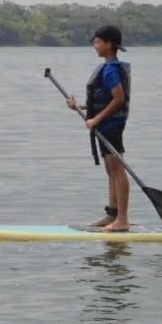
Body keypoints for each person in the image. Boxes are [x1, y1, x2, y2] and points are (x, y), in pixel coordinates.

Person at [66, 24, 131, 231]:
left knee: (117, 170)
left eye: (97, 42)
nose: (95, 46)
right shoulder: (108, 67)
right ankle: (111, 215)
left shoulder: (111, 69)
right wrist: (80, 106)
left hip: (111, 125)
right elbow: (103, 98)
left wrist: (96, 119)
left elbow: (118, 99)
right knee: (111, 171)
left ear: (109, 44)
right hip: (106, 125)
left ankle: (122, 220)